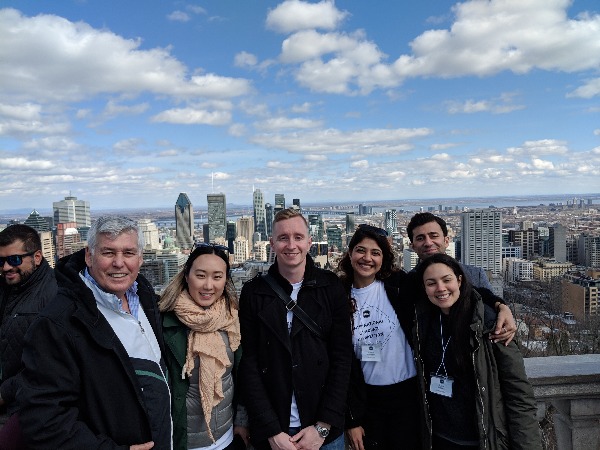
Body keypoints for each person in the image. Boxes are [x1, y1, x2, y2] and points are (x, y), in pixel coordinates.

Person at [17, 216, 171, 449]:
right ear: (89, 256)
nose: (119, 263)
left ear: (140, 258)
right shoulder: (57, 323)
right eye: (108, 253)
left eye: (128, 253)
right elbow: (43, 419)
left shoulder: (145, 299)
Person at [239, 208, 352, 450]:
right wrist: (271, 430)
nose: (291, 245)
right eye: (283, 238)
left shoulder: (330, 287)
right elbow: (249, 364)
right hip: (275, 430)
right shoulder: (253, 292)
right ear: (271, 243)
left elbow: (342, 359)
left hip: (323, 430)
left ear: (310, 242)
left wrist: (323, 427)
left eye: (298, 237)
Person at [414, 253, 541, 449]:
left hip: (483, 439)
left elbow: (519, 394)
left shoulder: (490, 323)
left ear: (459, 280)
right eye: (431, 283)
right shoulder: (423, 322)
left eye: (446, 280)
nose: (440, 288)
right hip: (439, 438)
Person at [337, 224, 419, 450]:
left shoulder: (399, 285)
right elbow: (341, 362)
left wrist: (499, 306)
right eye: (361, 250)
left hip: (408, 395)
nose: (367, 258)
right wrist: (352, 419)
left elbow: (445, 285)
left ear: (384, 258)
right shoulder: (338, 295)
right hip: (368, 399)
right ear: (350, 253)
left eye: (376, 253)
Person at [159, 243, 248, 450]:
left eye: (217, 277)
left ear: (225, 280)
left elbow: (242, 375)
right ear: (186, 275)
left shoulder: (232, 318)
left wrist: (241, 421)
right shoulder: (164, 322)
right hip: (184, 441)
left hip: (226, 438)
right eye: (201, 275)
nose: (209, 286)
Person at [406, 212, 516, 343]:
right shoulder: (407, 283)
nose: (428, 243)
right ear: (412, 246)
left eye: (433, 236)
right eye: (420, 238)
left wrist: (502, 307)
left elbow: (491, 314)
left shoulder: (475, 275)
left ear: (446, 241)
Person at [0, 225, 57, 447]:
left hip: (29, 404)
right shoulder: (10, 287)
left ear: (37, 257)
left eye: (14, 260)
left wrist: (4, 393)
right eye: (1, 261)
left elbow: (46, 365)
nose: (6, 267)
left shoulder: (54, 296)